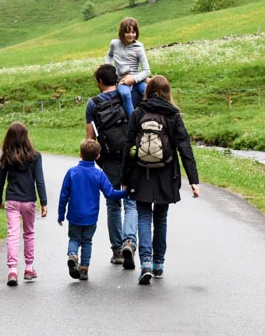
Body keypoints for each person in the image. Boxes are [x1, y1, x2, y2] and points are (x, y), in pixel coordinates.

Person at [122, 75, 200, 285]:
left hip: (141, 173)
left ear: (148, 90)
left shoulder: (138, 112)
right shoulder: (173, 114)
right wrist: (194, 180)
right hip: (167, 173)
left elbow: (128, 146)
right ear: (168, 91)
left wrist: (124, 177)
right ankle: (158, 264)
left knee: (144, 216)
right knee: (161, 218)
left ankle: (145, 263)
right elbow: (184, 147)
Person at [85, 63, 138, 269]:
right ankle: (129, 242)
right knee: (131, 201)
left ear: (99, 81)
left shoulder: (92, 104)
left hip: (109, 158)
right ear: (115, 78)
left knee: (113, 204)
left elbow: (90, 137)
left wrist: (93, 159)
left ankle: (117, 251)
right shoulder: (126, 96)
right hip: (130, 154)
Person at [57, 138, 127, 281]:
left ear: (80, 154)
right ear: (98, 156)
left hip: (74, 215)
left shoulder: (72, 172)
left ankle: (73, 255)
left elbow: (64, 194)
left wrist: (61, 214)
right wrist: (125, 193)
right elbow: (110, 193)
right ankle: (84, 269)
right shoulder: (99, 174)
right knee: (87, 241)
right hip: (90, 217)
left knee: (74, 238)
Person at [0, 121, 48, 287]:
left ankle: (12, 270)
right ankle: (29, 268)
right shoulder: (35, 156)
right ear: (26, 137)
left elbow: (0, 181)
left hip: (12, 200)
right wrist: (44, 202)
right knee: (29, 233)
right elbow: (39, 180)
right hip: (29, 201)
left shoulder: (6, 157)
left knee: (12, 234)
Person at [105, 17, 151, 115]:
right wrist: (107, 68)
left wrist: (134, 79)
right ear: (122, 32)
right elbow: (109, 55)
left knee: (147, 90)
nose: (131, 35)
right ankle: (132, 122)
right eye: (127, 32)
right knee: (125, 94)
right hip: (122, 81)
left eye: (133, 32)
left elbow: (147, 71)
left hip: (137, 79)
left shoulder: (139, 48)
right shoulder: (114, 44)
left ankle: (150, 118)